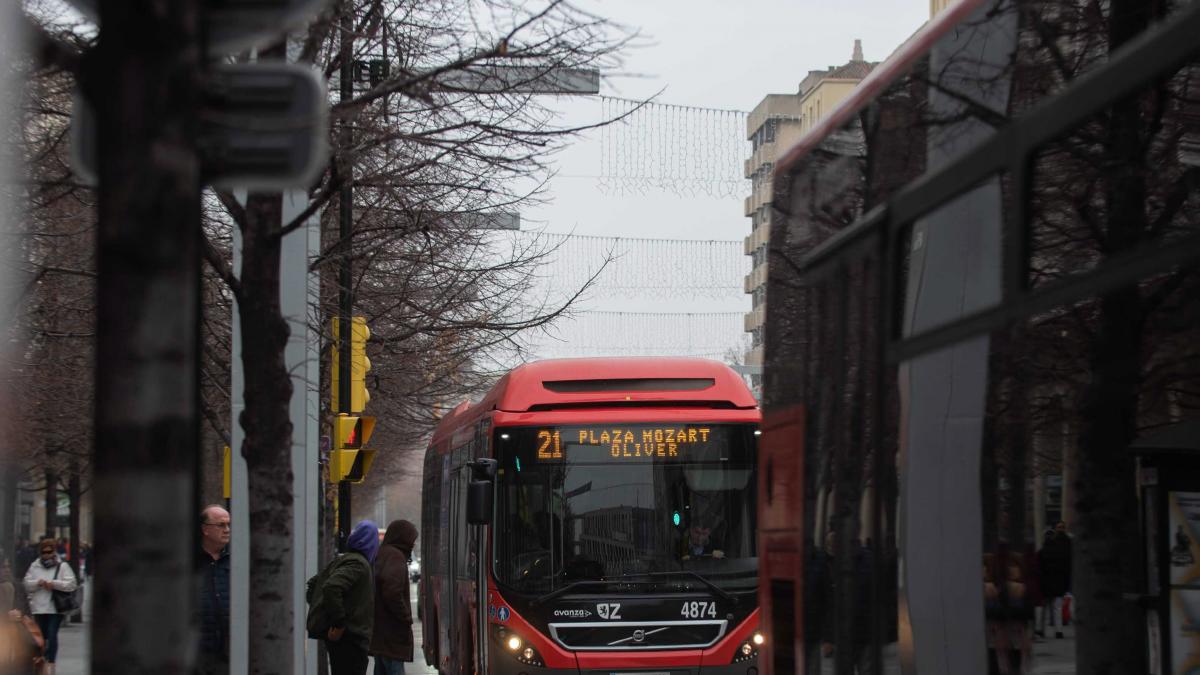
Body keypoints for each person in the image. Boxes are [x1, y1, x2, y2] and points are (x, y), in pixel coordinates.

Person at [321, 521, 379, 675]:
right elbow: (331, 587)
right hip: (351, 640)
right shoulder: (358, 563)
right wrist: (339, 622)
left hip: (348, 639)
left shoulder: (347, 559)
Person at [370, 520, 418, 675]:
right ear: (402, 538)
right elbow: (392, 592)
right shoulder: (395, 557)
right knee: (393, 668)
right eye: (411, 539)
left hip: (381, 634)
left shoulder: (382, 553)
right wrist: (405, 617)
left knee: (381, 668)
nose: (413, 544)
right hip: (393, 634)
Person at [22, 538, 76, 675]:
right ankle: (41, 661)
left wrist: (54, 584)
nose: (46, 554)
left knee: (52, 635)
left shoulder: (62, 566)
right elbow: (26, 583)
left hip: (55, 608)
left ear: (54, 551)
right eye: (44, 552)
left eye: (49, 551)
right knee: (41, 637)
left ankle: (51, 664)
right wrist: (38, 583)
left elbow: (71, 584)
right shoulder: (34, 566)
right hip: (39, 607)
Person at [196, 505, 231, 674]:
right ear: (205, 529)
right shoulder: (192, 561)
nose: (227, 530)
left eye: (228, 525)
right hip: (199, 649)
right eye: (221, 525)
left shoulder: (235, 560)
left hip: (228, 651)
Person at [1037, 522, 1071, 639]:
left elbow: (1038, 569)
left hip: (1045, 585)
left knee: (1044, 608)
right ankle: (1059, 631)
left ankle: (1041, 630)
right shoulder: (1059, 553)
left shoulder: (1041, 553)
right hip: (1058, 585)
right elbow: (1064, 568)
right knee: (1058, 608)